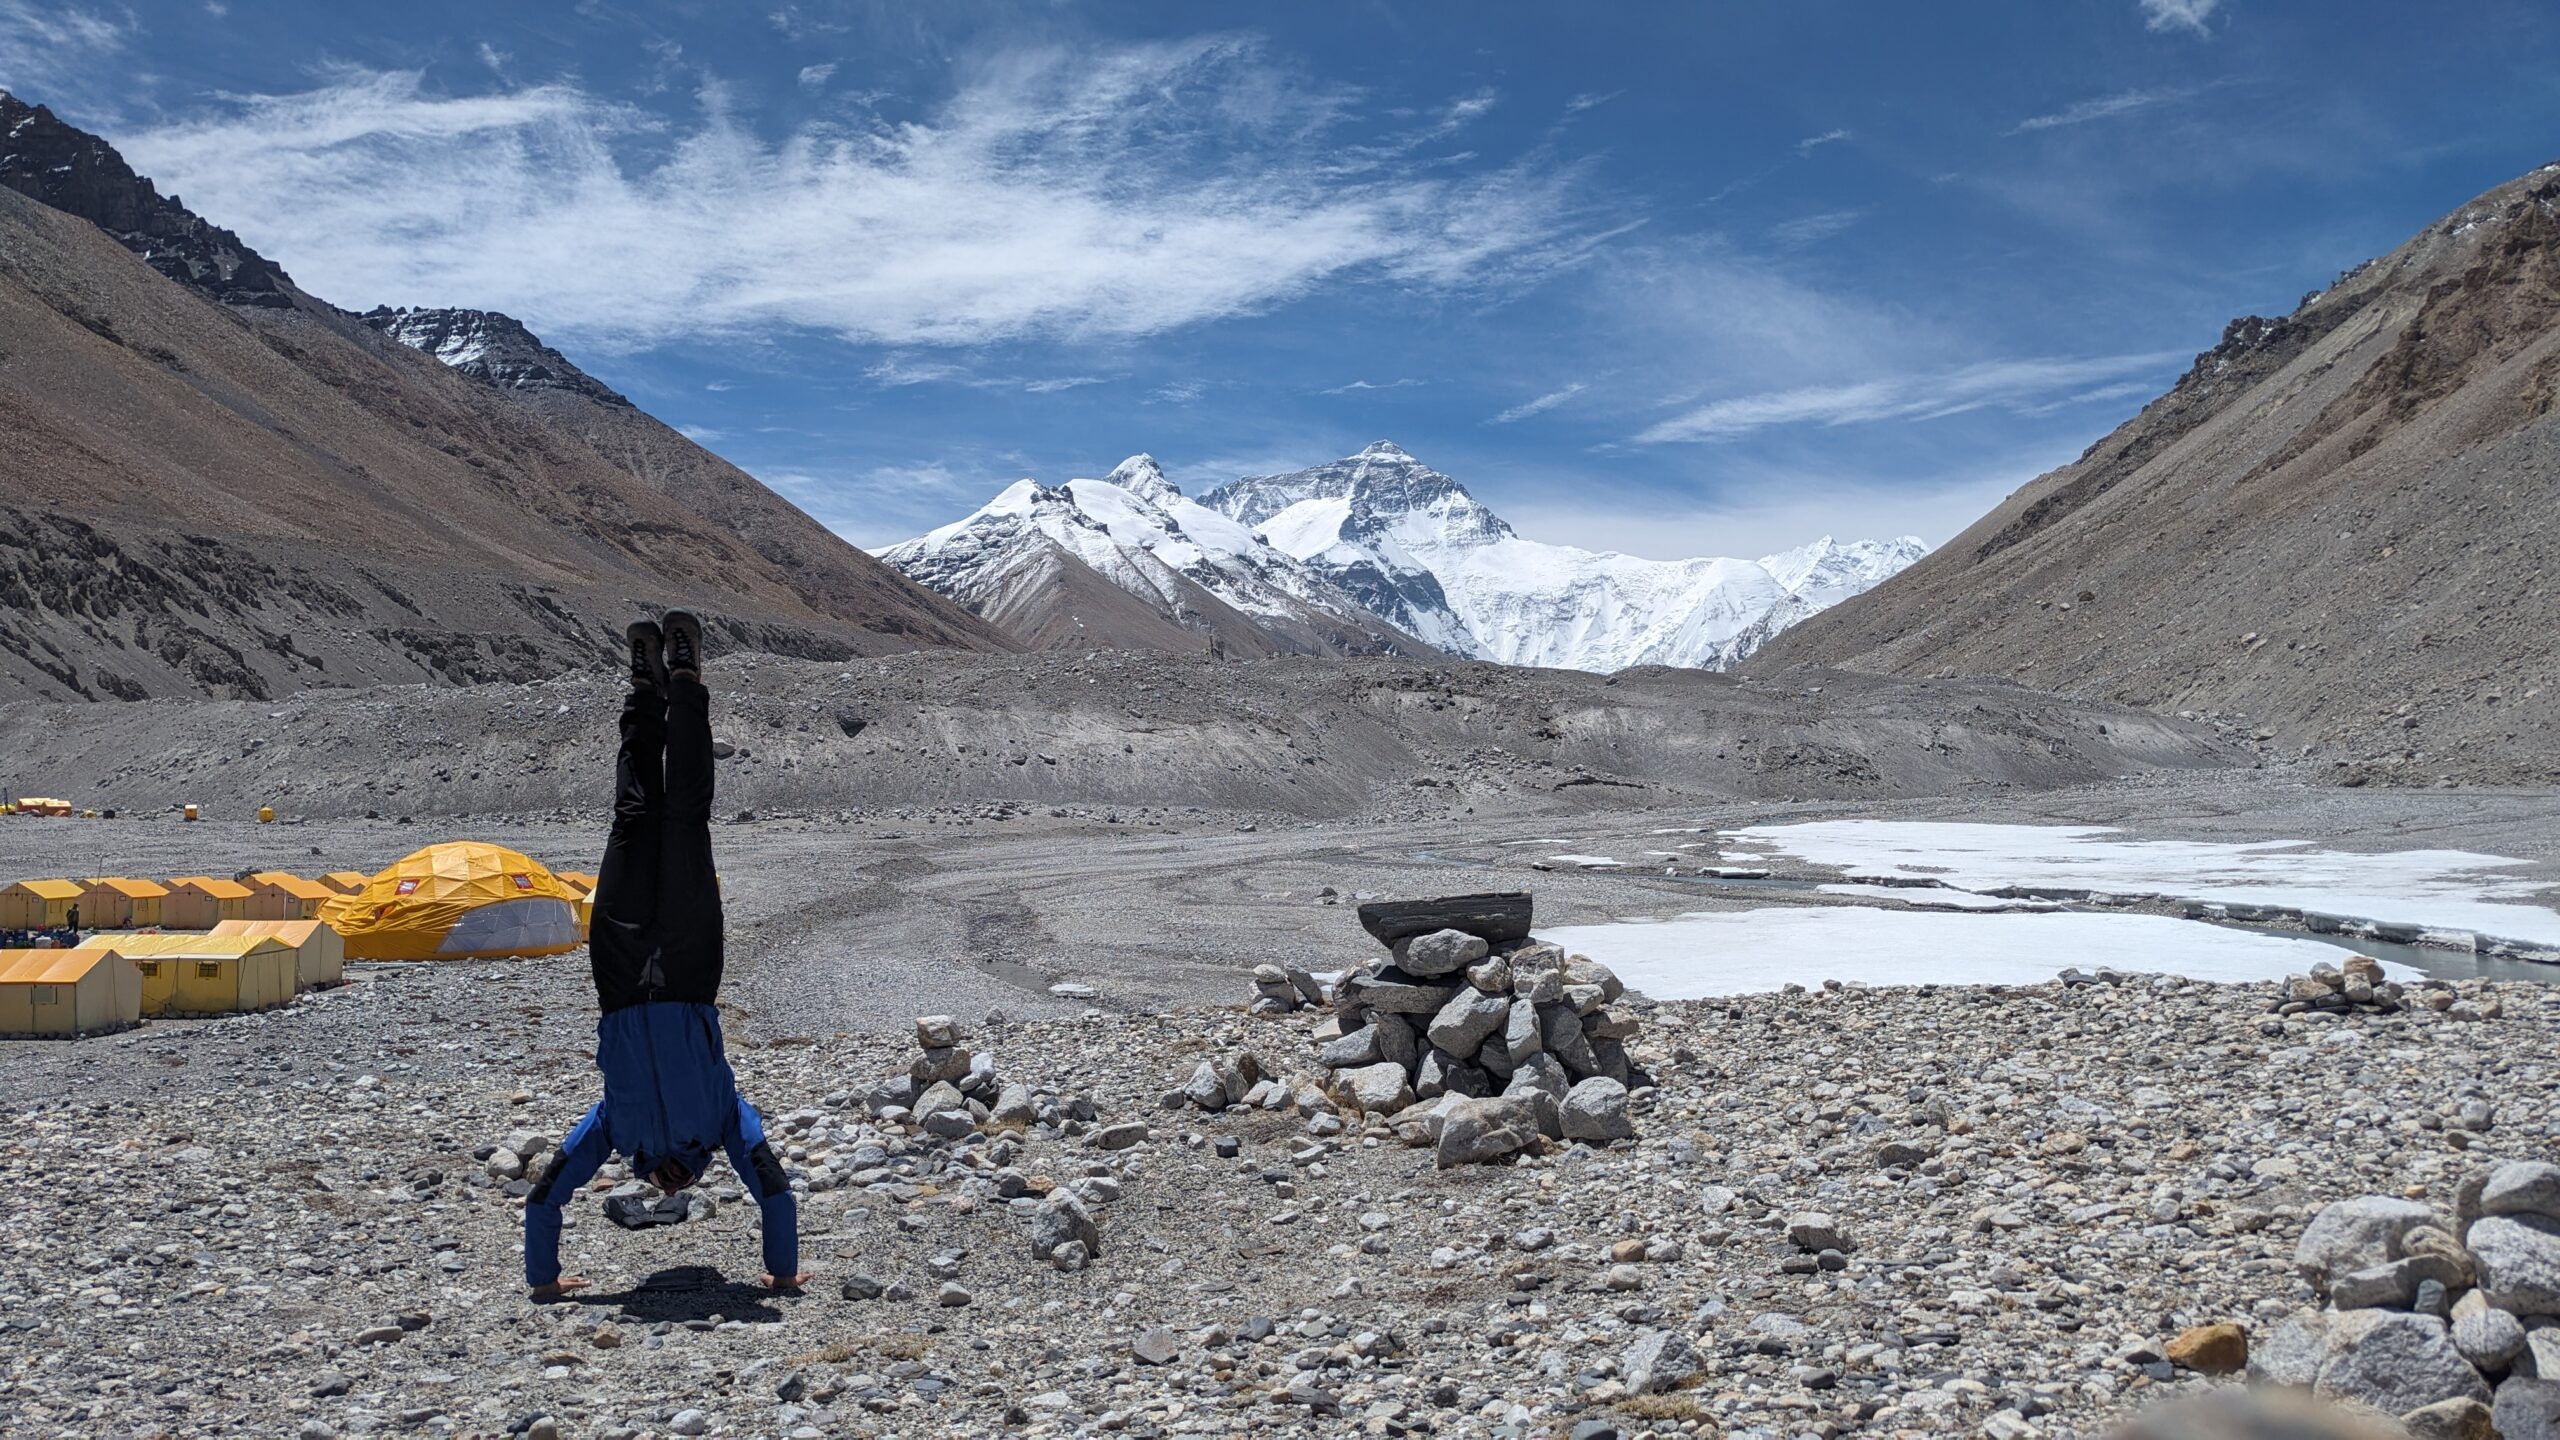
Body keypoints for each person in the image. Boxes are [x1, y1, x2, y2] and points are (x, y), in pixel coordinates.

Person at [523, 610, 807, 1298]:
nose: (672, 1180)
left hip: (619, 974)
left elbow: (546, 1198)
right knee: (684, 817)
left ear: (644, 1178)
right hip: (686, 967)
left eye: (662, 1182)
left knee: (632, 818)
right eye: (684, 1180)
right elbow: (773, 1188)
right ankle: (685, 677)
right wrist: (783, 1273)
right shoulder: (724, 1123)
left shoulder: (613, 1130)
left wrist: (545, 1283)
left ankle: (643, 689)